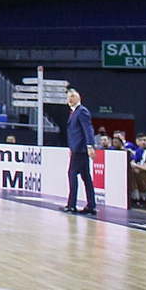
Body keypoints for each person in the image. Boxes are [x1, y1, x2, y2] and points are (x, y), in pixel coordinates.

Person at [62, 87, 96, 215]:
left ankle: (72, 205)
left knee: (72, 174)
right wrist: (71, 148)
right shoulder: (74, 112)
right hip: (76, 149)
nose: (70, 99)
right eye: (68, 97)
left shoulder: (82, 111)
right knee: (85, 176)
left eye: (72, 96)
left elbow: (88, 129)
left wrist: (89, 146)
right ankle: (91, 205)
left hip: (80, 149)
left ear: (79, 98)